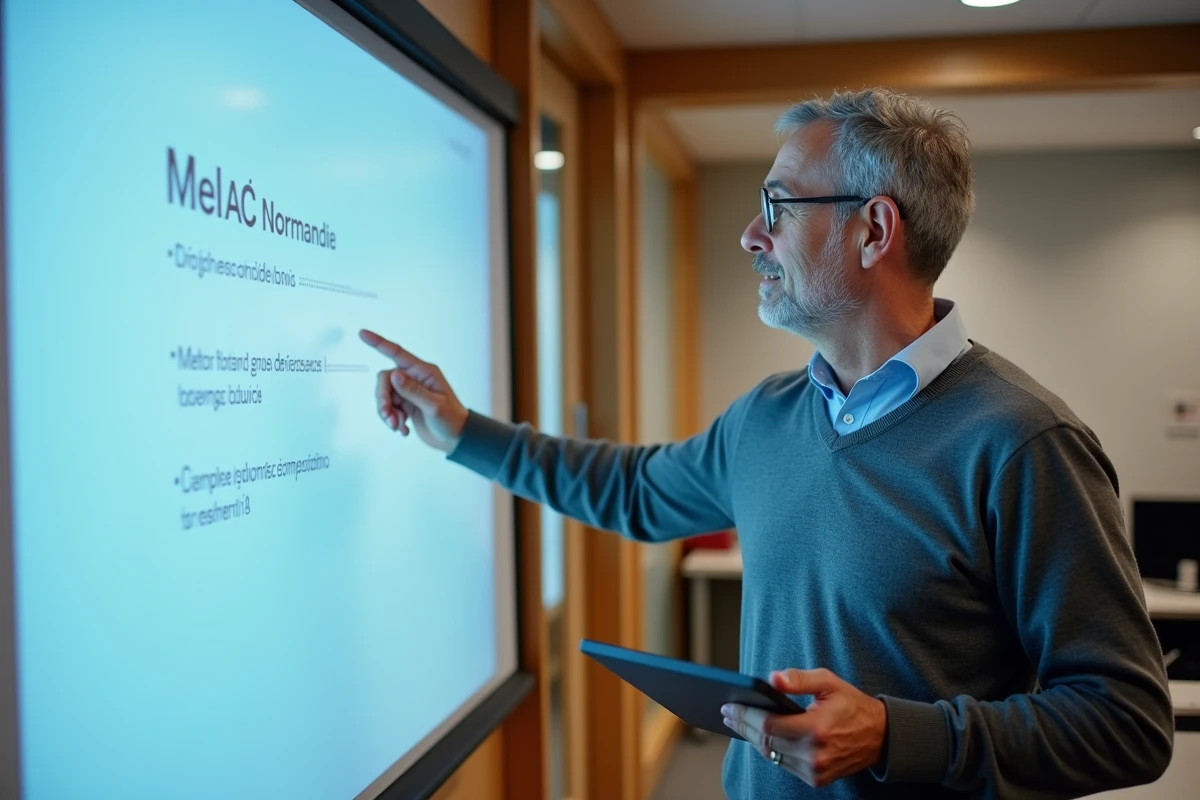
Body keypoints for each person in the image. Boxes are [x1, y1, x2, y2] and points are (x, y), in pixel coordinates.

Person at [359, 87, 1173, 799]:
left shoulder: (1023, 442)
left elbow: (1127, 720)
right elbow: (636, 491)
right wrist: (462, 433)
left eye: (779, 205)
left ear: (873, 229)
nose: (752, 234)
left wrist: (898, 735)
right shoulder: (767, 417)